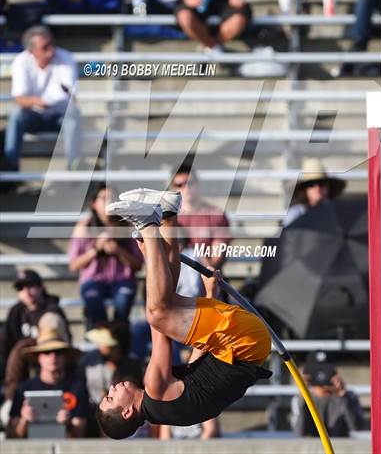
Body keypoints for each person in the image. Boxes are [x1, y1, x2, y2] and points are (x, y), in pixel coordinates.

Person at [96, 187, 272, 439]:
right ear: (126, 412)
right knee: (157, 314)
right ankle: (148, 223)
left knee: (164, 306)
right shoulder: (155, 391)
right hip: (241, 342)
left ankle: (168, 214)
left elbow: (196, 362)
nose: (112, 388)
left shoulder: (166, 409)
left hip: (248, 344)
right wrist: (150, 251)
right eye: (111, 397)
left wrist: (210, 296)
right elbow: (159, 329)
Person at [3, 25, 82, 172]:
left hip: (60, 116)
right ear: (31, 51)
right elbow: (19, 99)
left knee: (72, 114)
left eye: (52, 44)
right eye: (45, 47)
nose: (51, 50)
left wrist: (39, 101)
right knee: (16, 115)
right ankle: (11, 166)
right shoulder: (21, 61)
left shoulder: (65, 57)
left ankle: (74, 167)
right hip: (33, 116)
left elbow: (71, 93)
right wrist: (37, 102)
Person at [68, 183, 143, 329]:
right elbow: (74, 265)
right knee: (93, 299)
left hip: (122, 279)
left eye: (112, 198)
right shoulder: (84, 227)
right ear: (94, 203)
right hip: (93, 279)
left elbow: (138, 265)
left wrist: (118, 251)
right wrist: (95, 250)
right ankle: (101, 342)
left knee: (123, 300)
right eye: (104, 198)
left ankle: (119, 339)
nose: (109, 202)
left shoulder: (128, 227)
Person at [6, 325, 89, 438]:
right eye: (47, 352)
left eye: (58, 352)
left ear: (65, 356)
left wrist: (68, 424)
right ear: (38, 357)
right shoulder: (23, 389)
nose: (53, 357)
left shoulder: (78, 387)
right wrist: (24, 421)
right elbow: (12, 435)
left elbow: (81, 434)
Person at [77, 321, 146, 436]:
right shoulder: (90, 360)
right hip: (92, 414)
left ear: (117, 346)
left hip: (124, 421)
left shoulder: (133, 366)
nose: (100, 345)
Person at [168, 160, 231, 273]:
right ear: (173, 187)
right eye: (180, 185)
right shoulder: (167, 218)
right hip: (174, 278)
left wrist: (191, 250)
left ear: (198, 183)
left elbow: (214, 264)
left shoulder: (215, 215)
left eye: (189, 183)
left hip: (204, 278)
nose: (186, 188)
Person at [1, 269, 71, 370]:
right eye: (20, 288)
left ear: (41, 287)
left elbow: (57, 346)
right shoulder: (17, 310)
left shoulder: (52, 311)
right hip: (21, 365)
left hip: (48, 364)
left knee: (23, 346)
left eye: (30, 286)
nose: (26, 292)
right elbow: (5, 340)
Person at [290, 352, 365, 437]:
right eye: (315, 371)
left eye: (326, 370)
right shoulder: (299, 399)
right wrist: (303, 393)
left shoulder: (348, 396)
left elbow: (357, 427)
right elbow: (299, 431)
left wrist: (343, 395)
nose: (321, 376)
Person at [283, 158, 346, 226]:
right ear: (304, 189)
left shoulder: (337, 213)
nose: (317, 188)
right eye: (311, 184)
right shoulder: (296, 214)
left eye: (321, 183)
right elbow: (289, 234)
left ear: (328, 186)